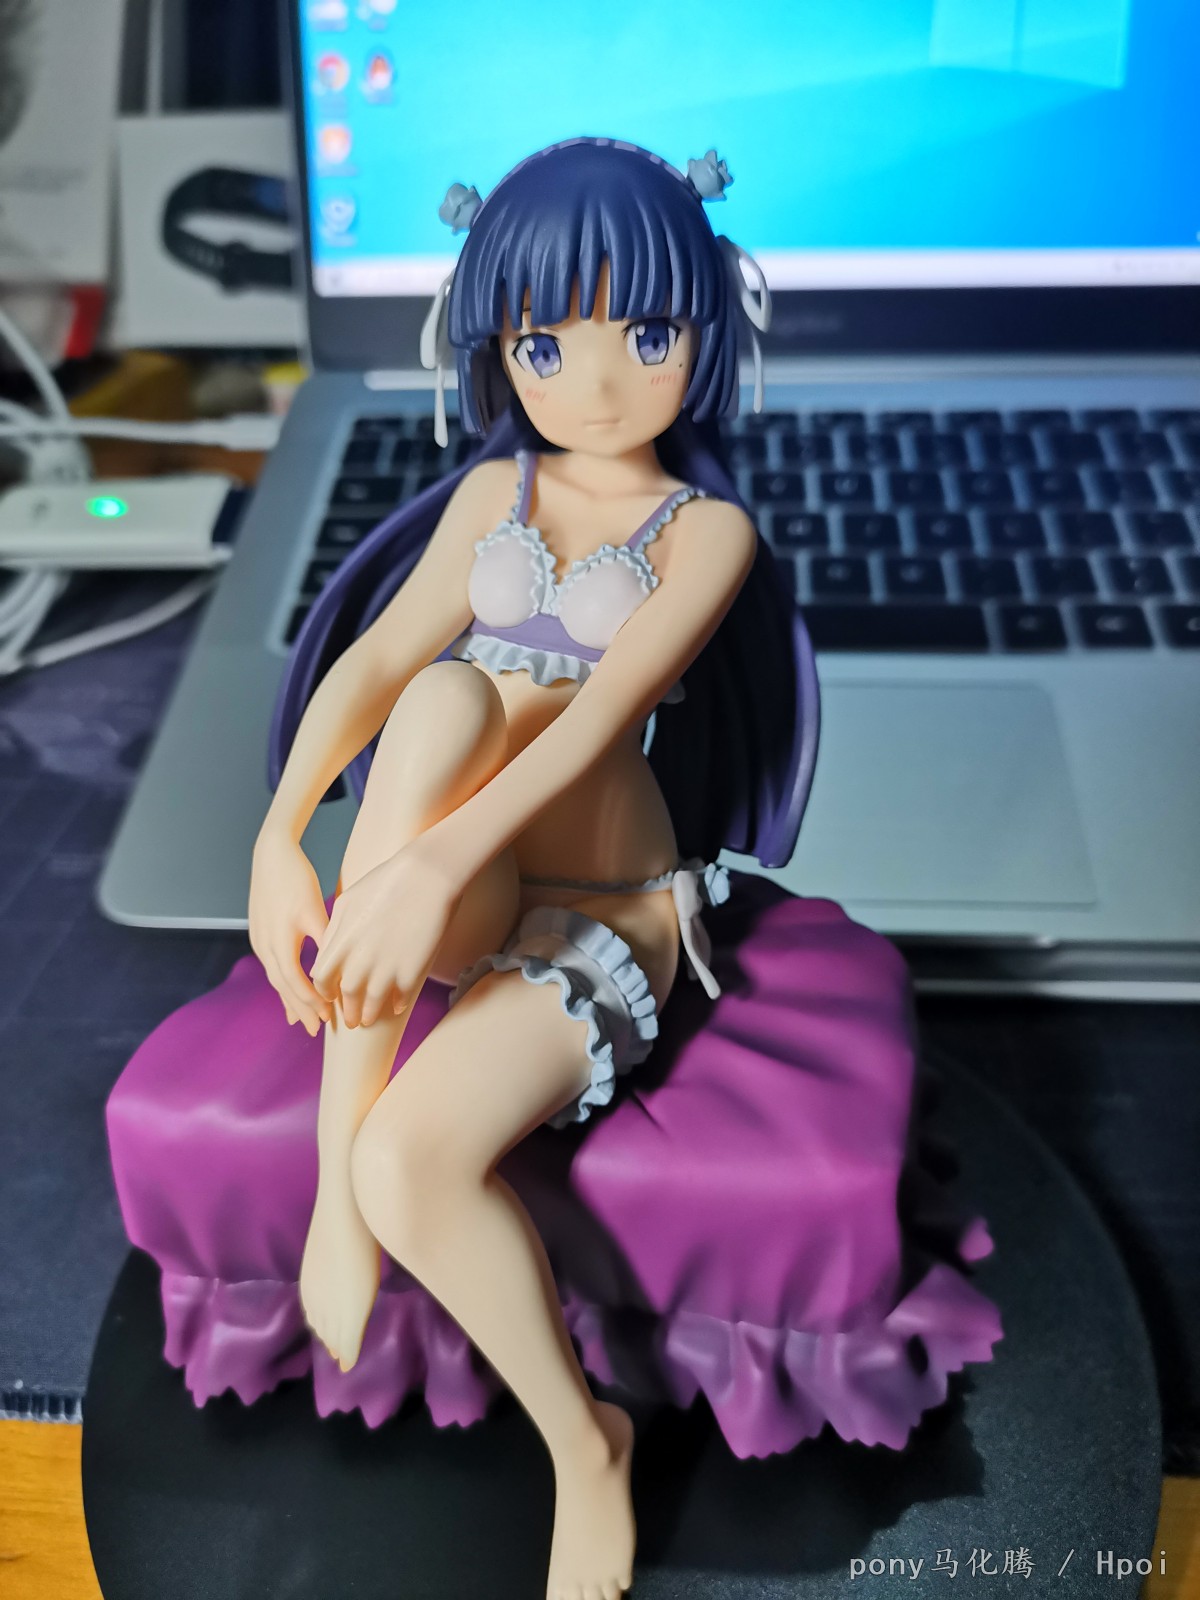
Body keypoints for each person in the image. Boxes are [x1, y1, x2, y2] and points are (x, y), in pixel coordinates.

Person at [254, 137, 817, 1600]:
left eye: (648, 333)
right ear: (498, 344)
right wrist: (278, 837)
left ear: (706, 322)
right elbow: (375, 661)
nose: (599, 381)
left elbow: (600, 719)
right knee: (440, 693)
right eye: (546, 343)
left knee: (407, 1166)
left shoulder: (703, 533)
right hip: (458, 887)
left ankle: (587, 1445)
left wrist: (419, 867)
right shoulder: (491, 494)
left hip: (594, 919)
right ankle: (327, 1177)